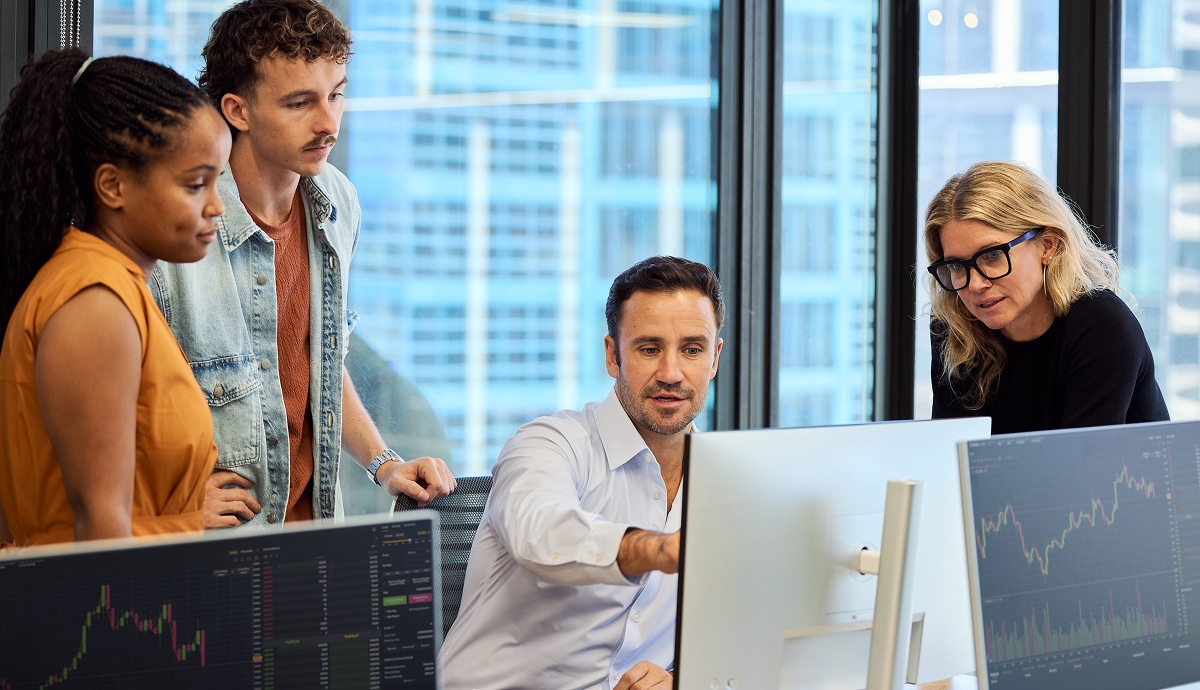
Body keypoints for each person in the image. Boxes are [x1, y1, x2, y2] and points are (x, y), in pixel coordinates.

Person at [150, 0, 454, 528]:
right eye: (300, 103)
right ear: (237, 111)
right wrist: (167, 501)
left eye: (336, 95)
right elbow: (119, 402)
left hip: (316, 533)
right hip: (220, 543)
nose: (328, 123)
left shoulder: (337, 202)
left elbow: (322, 358)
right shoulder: (175, 229)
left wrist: (384, 464)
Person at [441, 256, 724, 690]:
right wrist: (659, 550)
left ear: (714, 358)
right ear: (613, 356)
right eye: (649, 349)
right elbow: (542, 532)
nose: (671, 373)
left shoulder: (727, 484)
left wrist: (680, 680)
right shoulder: (547, 444)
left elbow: (754, 630)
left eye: (692, 349)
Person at [0, 50, 232, 546]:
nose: (217, 206)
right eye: (196, 184)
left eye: (218, 181)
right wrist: (190, 521)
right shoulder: (95, 302)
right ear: (112, 186)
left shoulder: (112, 284)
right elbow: (99, 535)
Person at [925, 160, 1169, 433]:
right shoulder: (954, 324)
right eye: (957, 266)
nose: (975, 285)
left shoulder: (1101, 325)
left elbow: (1079, 458)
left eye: (992, 255)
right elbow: (951, 451)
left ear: (1048, 245)